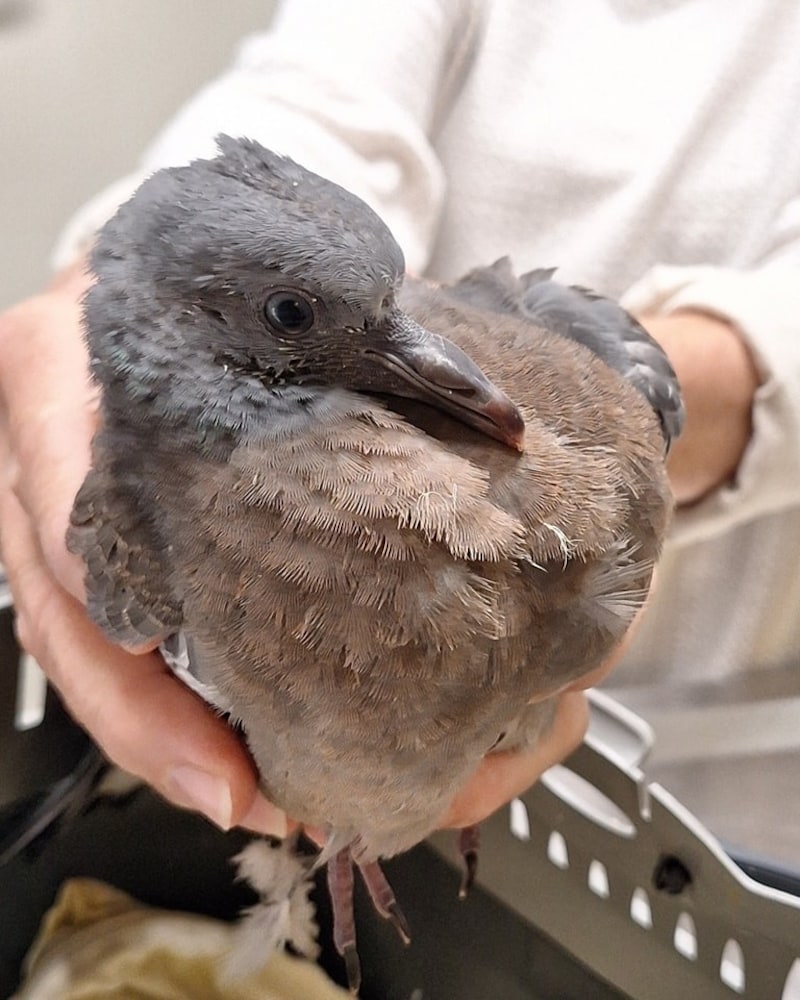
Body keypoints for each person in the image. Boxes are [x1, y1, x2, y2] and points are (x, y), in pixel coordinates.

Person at [1, 0, 798, 851]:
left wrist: (632, 400)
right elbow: (321, 94)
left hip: (750, 762)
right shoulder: (156, 523)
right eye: (288, 313)